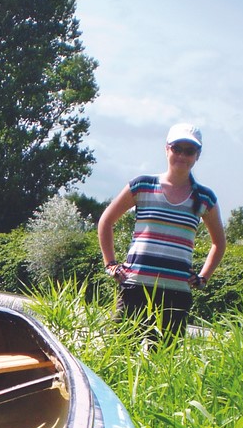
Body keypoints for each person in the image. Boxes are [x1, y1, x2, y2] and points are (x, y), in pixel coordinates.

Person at [97, 123, 227, 339]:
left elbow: (219, 244)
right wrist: (110, 264)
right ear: (167, 149)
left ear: (198, 155)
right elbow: (106, 221)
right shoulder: (142, 185)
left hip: (176, 295)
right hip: (135, 288)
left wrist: (203, 277)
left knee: (164, 363)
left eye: (189, 151)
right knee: (119, 354)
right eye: (177, 148)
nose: (182, 155)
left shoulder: (205, 198)